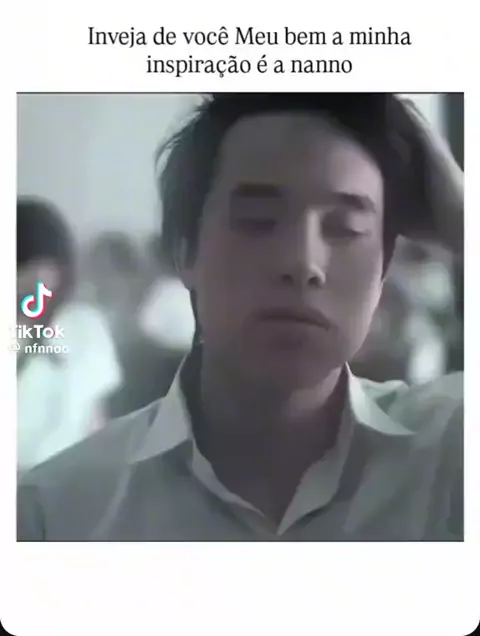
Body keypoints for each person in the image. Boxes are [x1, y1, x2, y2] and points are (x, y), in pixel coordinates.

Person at [17, 94, 463, 541]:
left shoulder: (450, 454)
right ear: (185, 251)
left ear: (384, 268)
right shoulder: (58, 512)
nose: (303, 262)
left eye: (345, 228)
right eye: (258, 220)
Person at [16, 197, 122, 473]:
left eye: (46, 265)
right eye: (23, 266)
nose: (37, 277)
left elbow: (96, 420)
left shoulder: (85, 327)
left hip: (67, 480)